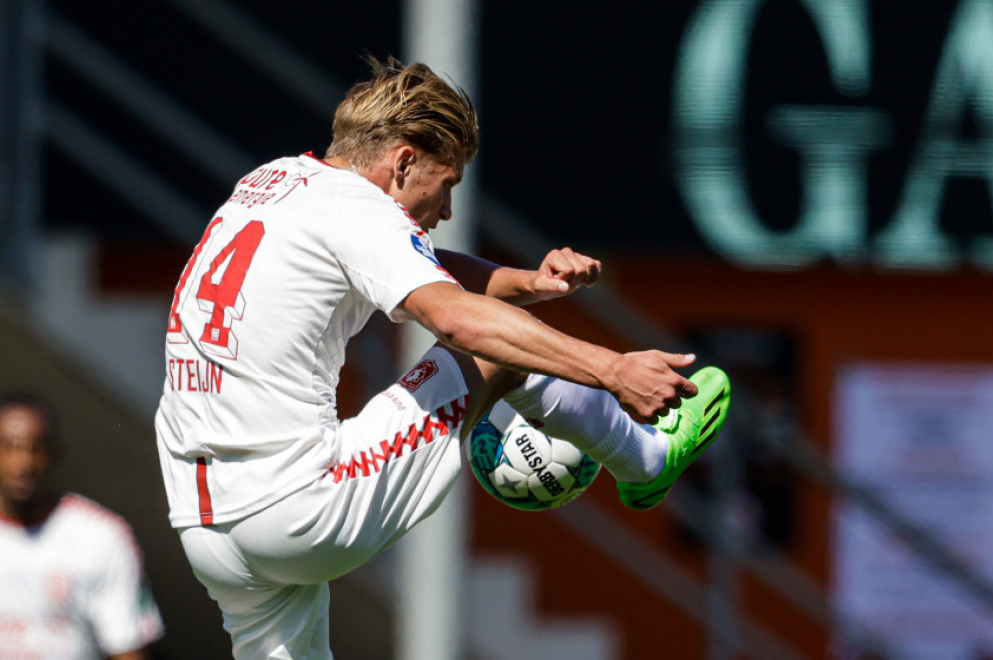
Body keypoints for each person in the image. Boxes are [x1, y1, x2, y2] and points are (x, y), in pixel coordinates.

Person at [154, 56, 731, 658]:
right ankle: (645, 459)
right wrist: (614, 371)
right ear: (403, 161)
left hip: (204, 524)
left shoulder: (274, 182)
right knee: (500, 349)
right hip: (296, 505)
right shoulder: (358, 208)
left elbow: (410, 263)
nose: (448, 209)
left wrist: (527, 280)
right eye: (447, 182)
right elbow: (456, 319)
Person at [0, 392, 165, 660]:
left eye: (36, 448)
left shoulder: (102, 536)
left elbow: (127, 649)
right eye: (10, 446)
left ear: (55, 454)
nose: (24, 463)